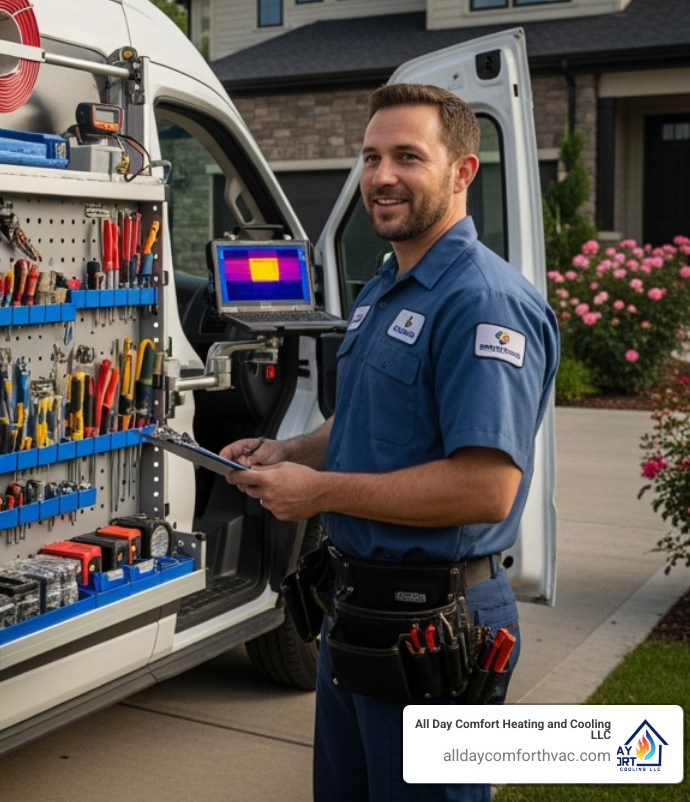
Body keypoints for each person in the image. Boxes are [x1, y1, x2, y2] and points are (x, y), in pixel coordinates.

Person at [222, 83, 559, 802]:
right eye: (371, 157)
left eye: (408, 156)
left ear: (463, 171)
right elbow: (376, 420)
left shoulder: (482, 301)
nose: (381, 176)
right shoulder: (386, 285)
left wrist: (320, 493)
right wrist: (292, 453)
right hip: (359, 614)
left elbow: (485, 486)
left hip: (438, 629)